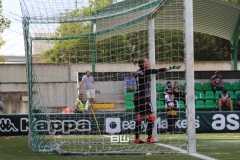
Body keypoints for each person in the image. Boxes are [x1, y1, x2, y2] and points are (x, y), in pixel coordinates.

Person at [133, 57, 181, 144]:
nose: (149, 62)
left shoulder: (137, 72)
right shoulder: (146, 71)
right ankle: (149, 138)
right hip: (144, 96)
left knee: (139, 117)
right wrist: (173, 67)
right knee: (151, 116)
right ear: (144, 64)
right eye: (147, 61)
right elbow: (160, 70)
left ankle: (137, 139)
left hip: (136, 97)